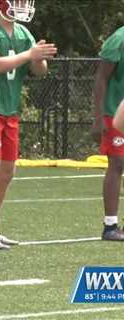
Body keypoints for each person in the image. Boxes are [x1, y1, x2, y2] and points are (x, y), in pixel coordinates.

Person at [0, 0, 57, 249]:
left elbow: (40, 71)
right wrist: (29, 54)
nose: (22, 4)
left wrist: (38, 57)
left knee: (7, 171)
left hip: (9, 109)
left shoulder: (23, 32)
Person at [92, 26, 124, 241]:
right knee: (118, 163)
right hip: (115, 111)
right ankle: (110, 225)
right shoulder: (119, 39)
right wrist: (98, 116)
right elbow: (101, 78)